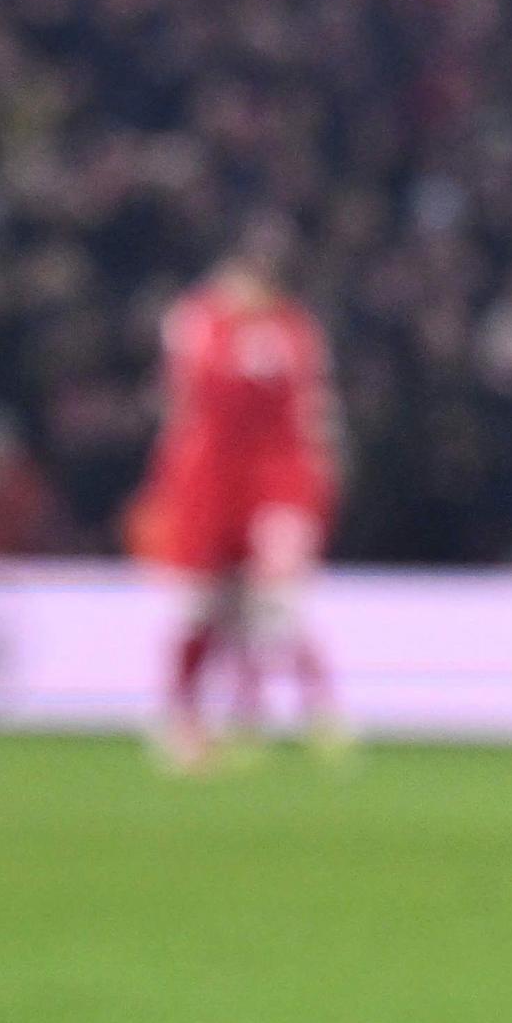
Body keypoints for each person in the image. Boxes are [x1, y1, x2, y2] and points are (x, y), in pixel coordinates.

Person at [126, 220, 344, 770]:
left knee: (275, 600)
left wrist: (318, 479)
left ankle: (307, 714)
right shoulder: (197, 321)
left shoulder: (296, 329)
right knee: (206, 605)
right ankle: (185, 721)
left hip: (277, 478)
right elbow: (186, 402)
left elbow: (312, 412)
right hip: (208, 478)